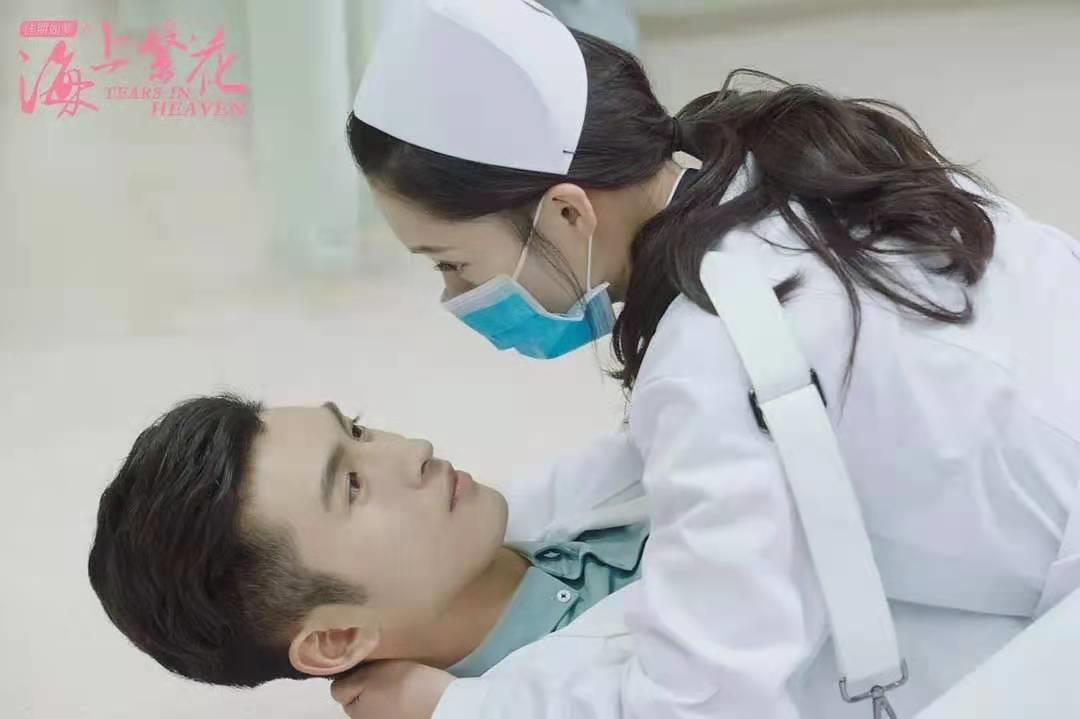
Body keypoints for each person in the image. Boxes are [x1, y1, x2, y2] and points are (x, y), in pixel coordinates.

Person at [336, 0, 1080, 717]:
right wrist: (481, 521)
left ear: (566, 212)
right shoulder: (763, 161)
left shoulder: (712, 358)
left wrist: (462, 707)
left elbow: (705, 698)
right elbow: (648, 460)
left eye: (452, 263)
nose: (455, 296)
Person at [87, 395, 649, 692]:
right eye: (352, 486)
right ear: (337, 639)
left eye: (356, 430)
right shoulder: (590, 695)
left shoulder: (568, 509)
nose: (412, 450)